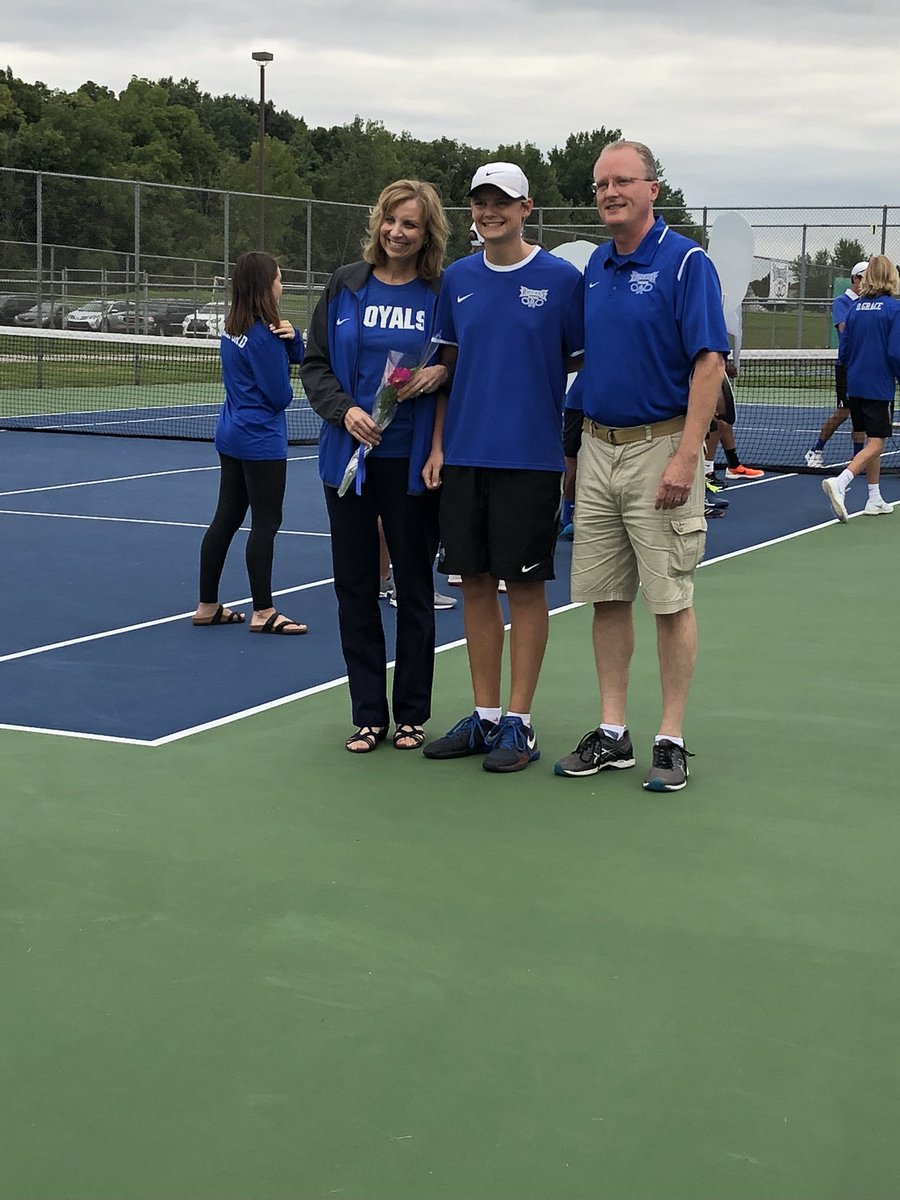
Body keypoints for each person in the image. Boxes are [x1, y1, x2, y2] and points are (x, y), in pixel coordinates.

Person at [554, 139, 729, 792]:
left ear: (652, 189)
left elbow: (709, 363)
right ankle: (613, 733)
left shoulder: (686, 263)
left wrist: (687, 456)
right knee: (606, 597)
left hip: (662, 449)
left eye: (623, 181)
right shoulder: (595, 269)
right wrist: (573, 452)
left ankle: (671, 739)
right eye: (601, 184)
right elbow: (582, 360)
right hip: (598, 449)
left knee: (670, 600)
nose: (610, 192)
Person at [421, 161, 584, 774]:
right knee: (474, 585)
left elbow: (578, 359)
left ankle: (520, 721)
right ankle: (486, 715)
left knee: (525, 587)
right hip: (465, 458)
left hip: (530, 461)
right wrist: (439, 446)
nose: (490, 212)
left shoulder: (561, 280)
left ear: (526, 208)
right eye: (480, 202)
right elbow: (446, 368)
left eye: (502, 202)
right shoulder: (457, 280)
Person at [299, 179, 450, 753]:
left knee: (413, 587)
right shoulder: (346, 284)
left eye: (410, 224)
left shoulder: (442, 292)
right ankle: (368, 714)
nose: (397, 232)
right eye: (390, 220)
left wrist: (442, 372)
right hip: (349, 461)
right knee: (355, 588)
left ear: (427, 233)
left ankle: (411, 713)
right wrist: (345, 411)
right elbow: (315, 365)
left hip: (411, 464)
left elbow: (461, 361)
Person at [194, 251, 306, 634]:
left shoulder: (234, 326)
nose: (282, 285)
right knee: (266, 522)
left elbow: (295, 355)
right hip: (260, 441)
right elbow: (279, 396)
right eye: (279, 278)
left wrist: (294, 338)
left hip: (231, 434)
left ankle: (207, 605)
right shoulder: (262, 337)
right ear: (265, 285)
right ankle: (263, 611)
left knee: (226, 518)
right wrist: (284, 350)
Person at [822, 255, 900, 522]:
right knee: (877, 443)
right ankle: (841, 481)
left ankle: (874, 498)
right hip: (878, 385)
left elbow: (844, 350)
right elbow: (896, 352)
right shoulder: (894, 310)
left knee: (870, 440)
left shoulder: (854, 308)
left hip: (854, 384)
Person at [805, 261, 869, 468]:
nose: (868, 283)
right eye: (864, 278)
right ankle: (815, 450)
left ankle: (857, 458)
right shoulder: (843, 301)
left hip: (863, 366)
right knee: (843, 412)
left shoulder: (868, 302)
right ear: (855, 279)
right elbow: (844, 329)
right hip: (846, 365)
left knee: (860, 413)